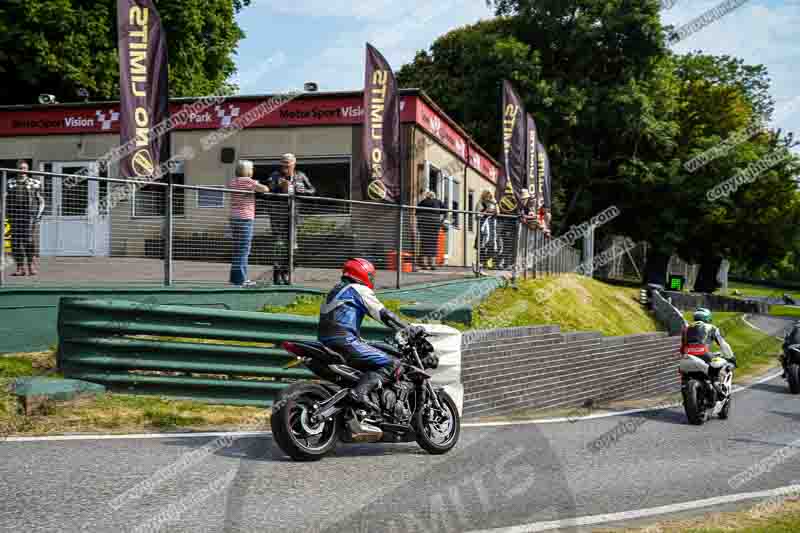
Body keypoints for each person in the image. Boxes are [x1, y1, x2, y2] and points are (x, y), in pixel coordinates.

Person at [318, 258, 410, 413]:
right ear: (363, 273)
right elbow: (383, 314)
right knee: (394, 364)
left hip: (326, 343)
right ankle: (360, 393)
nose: (372, 280)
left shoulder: (334, 291)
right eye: (371, 276)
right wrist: (408, 328)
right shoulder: (358, 289)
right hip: (346, 342)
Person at [266, 153, 316, 285]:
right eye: (283, 164)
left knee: (293, 246)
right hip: (277, 215)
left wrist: (303, 191)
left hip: (294, 215)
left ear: (294, 164)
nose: (285, 167)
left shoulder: (301, 175)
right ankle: (277, 274)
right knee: (279, 245)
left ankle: (286, 272)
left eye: (287, 164)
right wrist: (278, 188)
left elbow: (313, 190)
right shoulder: (275, 175)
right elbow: (267, 192)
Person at [228, 160, 270, 287]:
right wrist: (256, 184)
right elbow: (265, 189)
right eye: (252, 168)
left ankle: (235, 279)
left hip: (234, 217)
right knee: (244, 250)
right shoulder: (247, 181)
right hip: (245, 218)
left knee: (237, 249)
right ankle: (241, 280)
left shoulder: (234, 181)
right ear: (247, 171)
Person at [7, 160, 44, 277]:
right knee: (16, 243)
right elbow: (5, 199)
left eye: (24, 168)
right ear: (16, 169)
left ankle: (31, 266)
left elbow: (41, 201)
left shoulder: (35, 183)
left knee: (29, 241)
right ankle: (19, 267)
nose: (22, 170)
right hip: (15, 216)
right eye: (20, 168)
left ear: (27, 170)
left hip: (29, 217)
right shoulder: (10, 182)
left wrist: (38, 215)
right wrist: (5, 213)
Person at [416, 190, 445, 270]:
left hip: (424, 225)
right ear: (434, 196)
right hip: (434, 225)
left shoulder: (422, 202)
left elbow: (417, 213)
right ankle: (432, 264)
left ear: (426, 196)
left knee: (424, 243)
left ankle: (424, 264)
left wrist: (419, 225)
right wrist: (441, 222)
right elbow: (446, 210)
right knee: (433, 243)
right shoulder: (438, 202)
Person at [475, 189, 500, 271]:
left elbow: (498, 213)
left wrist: (495, 203)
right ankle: (481, 263)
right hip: (483, 227)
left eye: (490, 196)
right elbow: (477, 215)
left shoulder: (493, 203)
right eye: (487, 195)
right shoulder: (480, 203)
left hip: (492, 227)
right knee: (482, 245)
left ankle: (486, 262)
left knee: (493, 246)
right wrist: (486, 211)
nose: (489, 197)